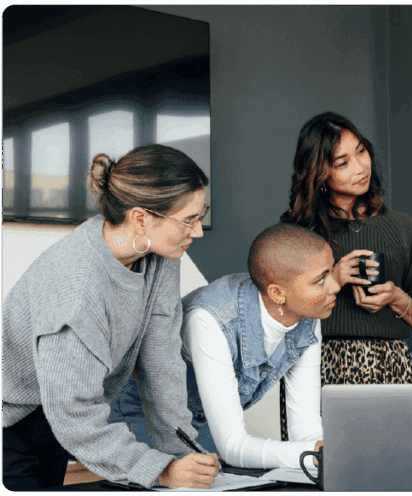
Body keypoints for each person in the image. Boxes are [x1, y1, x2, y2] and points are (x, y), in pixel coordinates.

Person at [2, 144, 219, 489]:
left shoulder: (159, 255)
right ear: (140, 217)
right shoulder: (76, 288)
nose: (196, 231)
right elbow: (73, 413)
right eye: (188, 219)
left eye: (200, 214)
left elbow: (161, 360)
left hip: (56, 415)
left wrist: (182, 453)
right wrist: (160, 471)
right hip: (14, 424)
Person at [109, 223, 339, 469]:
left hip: (201, 416)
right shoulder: (211, 320)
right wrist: (313, 454)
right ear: (277, 293)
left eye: (331, 272)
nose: (335, 286)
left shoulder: (308, 315)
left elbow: (305, 428)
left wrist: (325, 454)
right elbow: (233, 447)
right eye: (320, 280)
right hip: (146, 410)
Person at [280, 112, 412, 398]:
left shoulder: (403, 229)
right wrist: (333, 279)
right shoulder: (297, 234)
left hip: (392, 371)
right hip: (314, 371)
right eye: (343, 163)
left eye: (361, 152)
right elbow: (278, 316)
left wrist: (397, 298)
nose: (360, 167)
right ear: (319, 173)